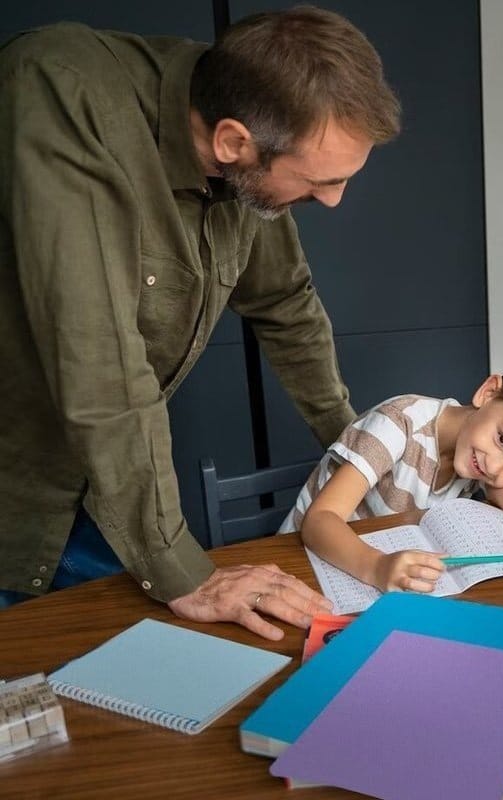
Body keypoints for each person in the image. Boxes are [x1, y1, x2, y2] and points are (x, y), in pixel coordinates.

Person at [0, 7, 402, 639]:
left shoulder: (248, 128)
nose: (334, 201)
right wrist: (187, 574)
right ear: (233, 143)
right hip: (19, 493)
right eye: (322, 181)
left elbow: (286, 304)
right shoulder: (63, 88)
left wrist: (361, 451)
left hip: (114, 490)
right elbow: (99, 359)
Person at [294, 357, 503, 594]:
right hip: (307, 565)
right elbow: (319, 519)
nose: (495, 469)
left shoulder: (479, 459)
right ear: (489, 392)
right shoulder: (400, 424)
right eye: (502, 440)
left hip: (374, 577)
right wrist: (376, 566)